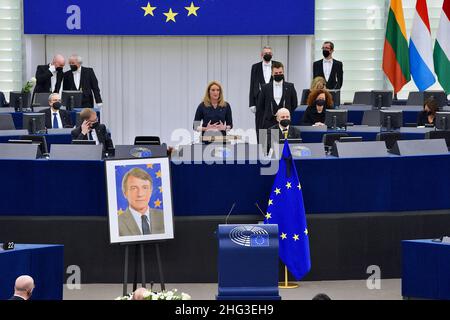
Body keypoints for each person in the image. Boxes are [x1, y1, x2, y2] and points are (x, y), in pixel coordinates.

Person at [118, 167, 165, 236]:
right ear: (125, 193)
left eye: (145, 187)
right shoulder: (117, 223)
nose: (140, 194)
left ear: (151, 191)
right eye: (134, 188)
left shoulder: (164, 217)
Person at [257, 61, 298, 130]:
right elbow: (260, 106)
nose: (278, 74)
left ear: (283, 72)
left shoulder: (290, 86)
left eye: (280, 73)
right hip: (268, 122)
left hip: (285, 123)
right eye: (276, 73)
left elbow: (294, 104)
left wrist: (284, 115)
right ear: (272, 74)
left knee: (284, 140)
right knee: (266, 140)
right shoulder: (265, 88)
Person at [249, 46, 279, 131]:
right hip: (259, 100)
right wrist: (252, 103)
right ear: (261, 54)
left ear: (272, 54)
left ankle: (273, 144)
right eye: (266, 53)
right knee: (260, 125)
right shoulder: (255, 67)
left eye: (269, 53)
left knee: (273, 125)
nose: (268, 54)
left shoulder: (277, 65)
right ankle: (261, 144)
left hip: (274, 101)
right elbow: (252, 84)